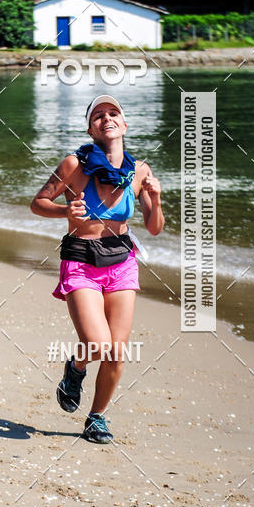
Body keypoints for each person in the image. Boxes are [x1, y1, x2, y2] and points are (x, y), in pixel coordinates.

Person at [30, 94, 164, 443]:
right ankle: (75, 369)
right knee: (96, 342)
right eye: (98, 115)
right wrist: (64, 212)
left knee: (116, 350)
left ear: (124, 124)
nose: (107, 118)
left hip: (121, 261)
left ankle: (96, 418)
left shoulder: (140, 171)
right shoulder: (74, 165)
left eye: (113, 113)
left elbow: (153, 227)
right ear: (90, 128)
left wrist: (157, 197)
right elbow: (38, 202)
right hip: (81, 260)